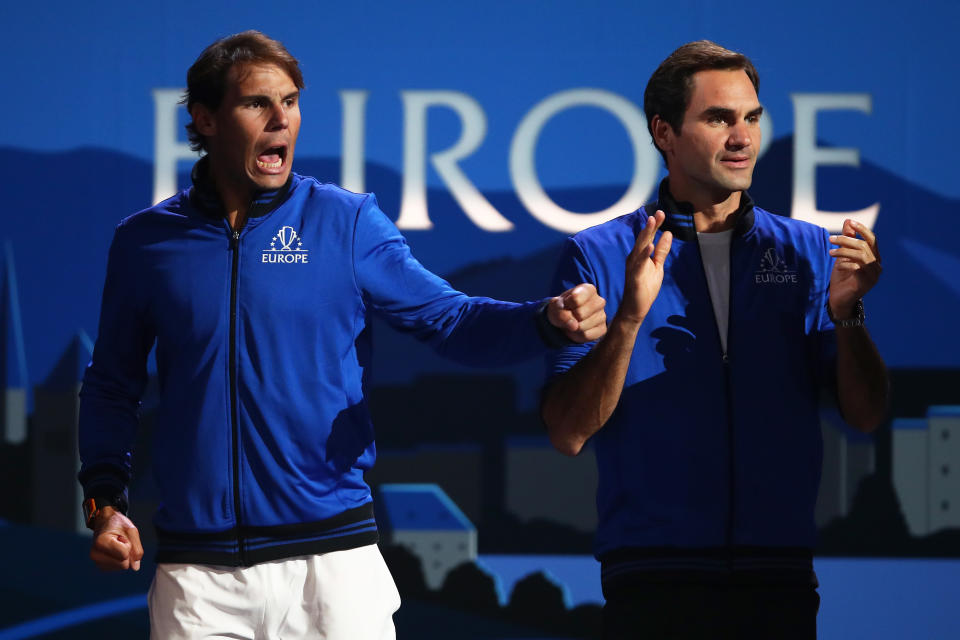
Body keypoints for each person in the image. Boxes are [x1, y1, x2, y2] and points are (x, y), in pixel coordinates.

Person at [77, 30, 606, 640]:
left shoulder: (346, 221)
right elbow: (112, 385)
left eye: (292, 101)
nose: (283, 120)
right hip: (198, 579)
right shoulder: (145, 241)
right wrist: (104, 502)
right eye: (257, 103)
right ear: (205, 118)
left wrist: (544, 321)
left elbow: (451, 319)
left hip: (332, 571)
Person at [541, 40, 888, 639]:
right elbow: (568, 432)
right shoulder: (598, 254)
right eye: (718, 118)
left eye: (751, 117)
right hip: (651, 583)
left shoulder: (807, 252)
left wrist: (850, 313)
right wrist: (627, 320)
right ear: (664, 133)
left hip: (779, 579)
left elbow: (866, 415)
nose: (742, 137)